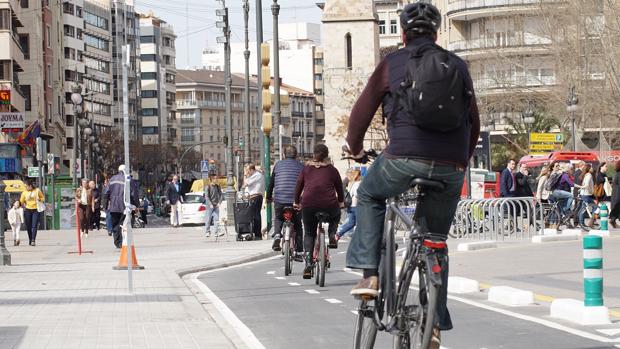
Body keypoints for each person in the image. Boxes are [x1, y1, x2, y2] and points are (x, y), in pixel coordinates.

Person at [342, 3, 480, 345]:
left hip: (403, 157)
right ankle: (434, 321)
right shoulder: (458, 65)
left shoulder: (392, 64)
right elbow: (474, 123)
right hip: (452, 166)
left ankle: (370, 276)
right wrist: (458, 161)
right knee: (435, 240)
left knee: (369, 194)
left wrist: (356, 149)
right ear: (436, 35)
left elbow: (359, 116)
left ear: (402, 34)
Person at [294, 144, 344, 279]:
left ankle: (309, 262)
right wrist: (341, 202)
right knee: (336, 214)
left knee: (309, 233)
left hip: (309, 204)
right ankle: (332, 234)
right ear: (326, 155)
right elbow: (340, 188)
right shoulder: (332, 170)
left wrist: (296, 202)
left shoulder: (306, 169)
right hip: (329, 204)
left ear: (313, 154)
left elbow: (299, 186)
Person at [267, 145, 304, 254]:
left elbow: (271, 184)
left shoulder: (278, 165)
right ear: (296, 155)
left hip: (280, 199)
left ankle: (277, 234)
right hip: (295, 200)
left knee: (278, 217)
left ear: (283, 155)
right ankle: (299, 251)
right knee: (297, 225)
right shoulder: (301, 167)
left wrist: (268, 197)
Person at [103, 165, 140, 248]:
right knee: (124, 224)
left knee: (115, 225)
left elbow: (106, 193)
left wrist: (105, 206)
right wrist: (136, 205)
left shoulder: (112, 179)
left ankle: (117, 242)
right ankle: (123, 242)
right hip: (124, 206)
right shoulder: (128, 179)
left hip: (113, 207)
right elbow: (134, 194)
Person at [337, 169, 362, 240]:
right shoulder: (358, 183)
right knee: (360, 223)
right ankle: (358, 238)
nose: (361, 176)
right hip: (356, 206)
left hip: (350, 206)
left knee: (351, 223)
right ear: (358, 176)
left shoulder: (351, 183)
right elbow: (357, 194)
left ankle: (338, 234)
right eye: (360, 175)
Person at [20, 180, 45, 246]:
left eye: (26, 186)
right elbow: (21, 201)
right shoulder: (24, 192)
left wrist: (39, 199)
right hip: (27, 210)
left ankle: (33, 240)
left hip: (36, 210)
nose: (26, 187)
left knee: (34, 226)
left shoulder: (37, 190)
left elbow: (43, 198)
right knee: (28, 226)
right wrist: (24, 203)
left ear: (30, 186)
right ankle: (30, 239)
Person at [243, 164, 265, 240]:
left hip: (255, 197)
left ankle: (257, 234)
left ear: (252, 170)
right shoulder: (257, 175)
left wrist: (245, 175)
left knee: (256, 216)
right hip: (254, 197)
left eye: (248, 170)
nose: (247, 172)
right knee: (254, 215)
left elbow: (245, 184)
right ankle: (255, 233)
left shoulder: (256, 175)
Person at [204, 173, 223, 237]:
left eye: (216, 178)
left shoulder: (217, 186)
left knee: (216, 219)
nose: (216, 179)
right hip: (210, 206)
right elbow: (206, 196)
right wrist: (210, 204)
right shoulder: (208, 186)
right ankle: (207, 231)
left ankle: (216, 232)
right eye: (214, 178)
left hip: (216, 205)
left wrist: (219, 203)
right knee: (208, 219)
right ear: (211, 179)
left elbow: (221, 195)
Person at [578, 164, 595, 231]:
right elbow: (587, 185)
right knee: (595, 207)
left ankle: (581, 223)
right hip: (586, 194)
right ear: (589, 168)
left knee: (583, 209)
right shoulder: (589, 175)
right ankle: (591, 221)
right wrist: (581, 187)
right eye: (591, 167)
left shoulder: (585, 175)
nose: (592, 168)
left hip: (584, 194)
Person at [607, 161, 620, 229]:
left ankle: (613, 221)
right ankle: (613, 221)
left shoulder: (617, 174)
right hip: (618, 195)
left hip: (615, 194)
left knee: (617, 209)